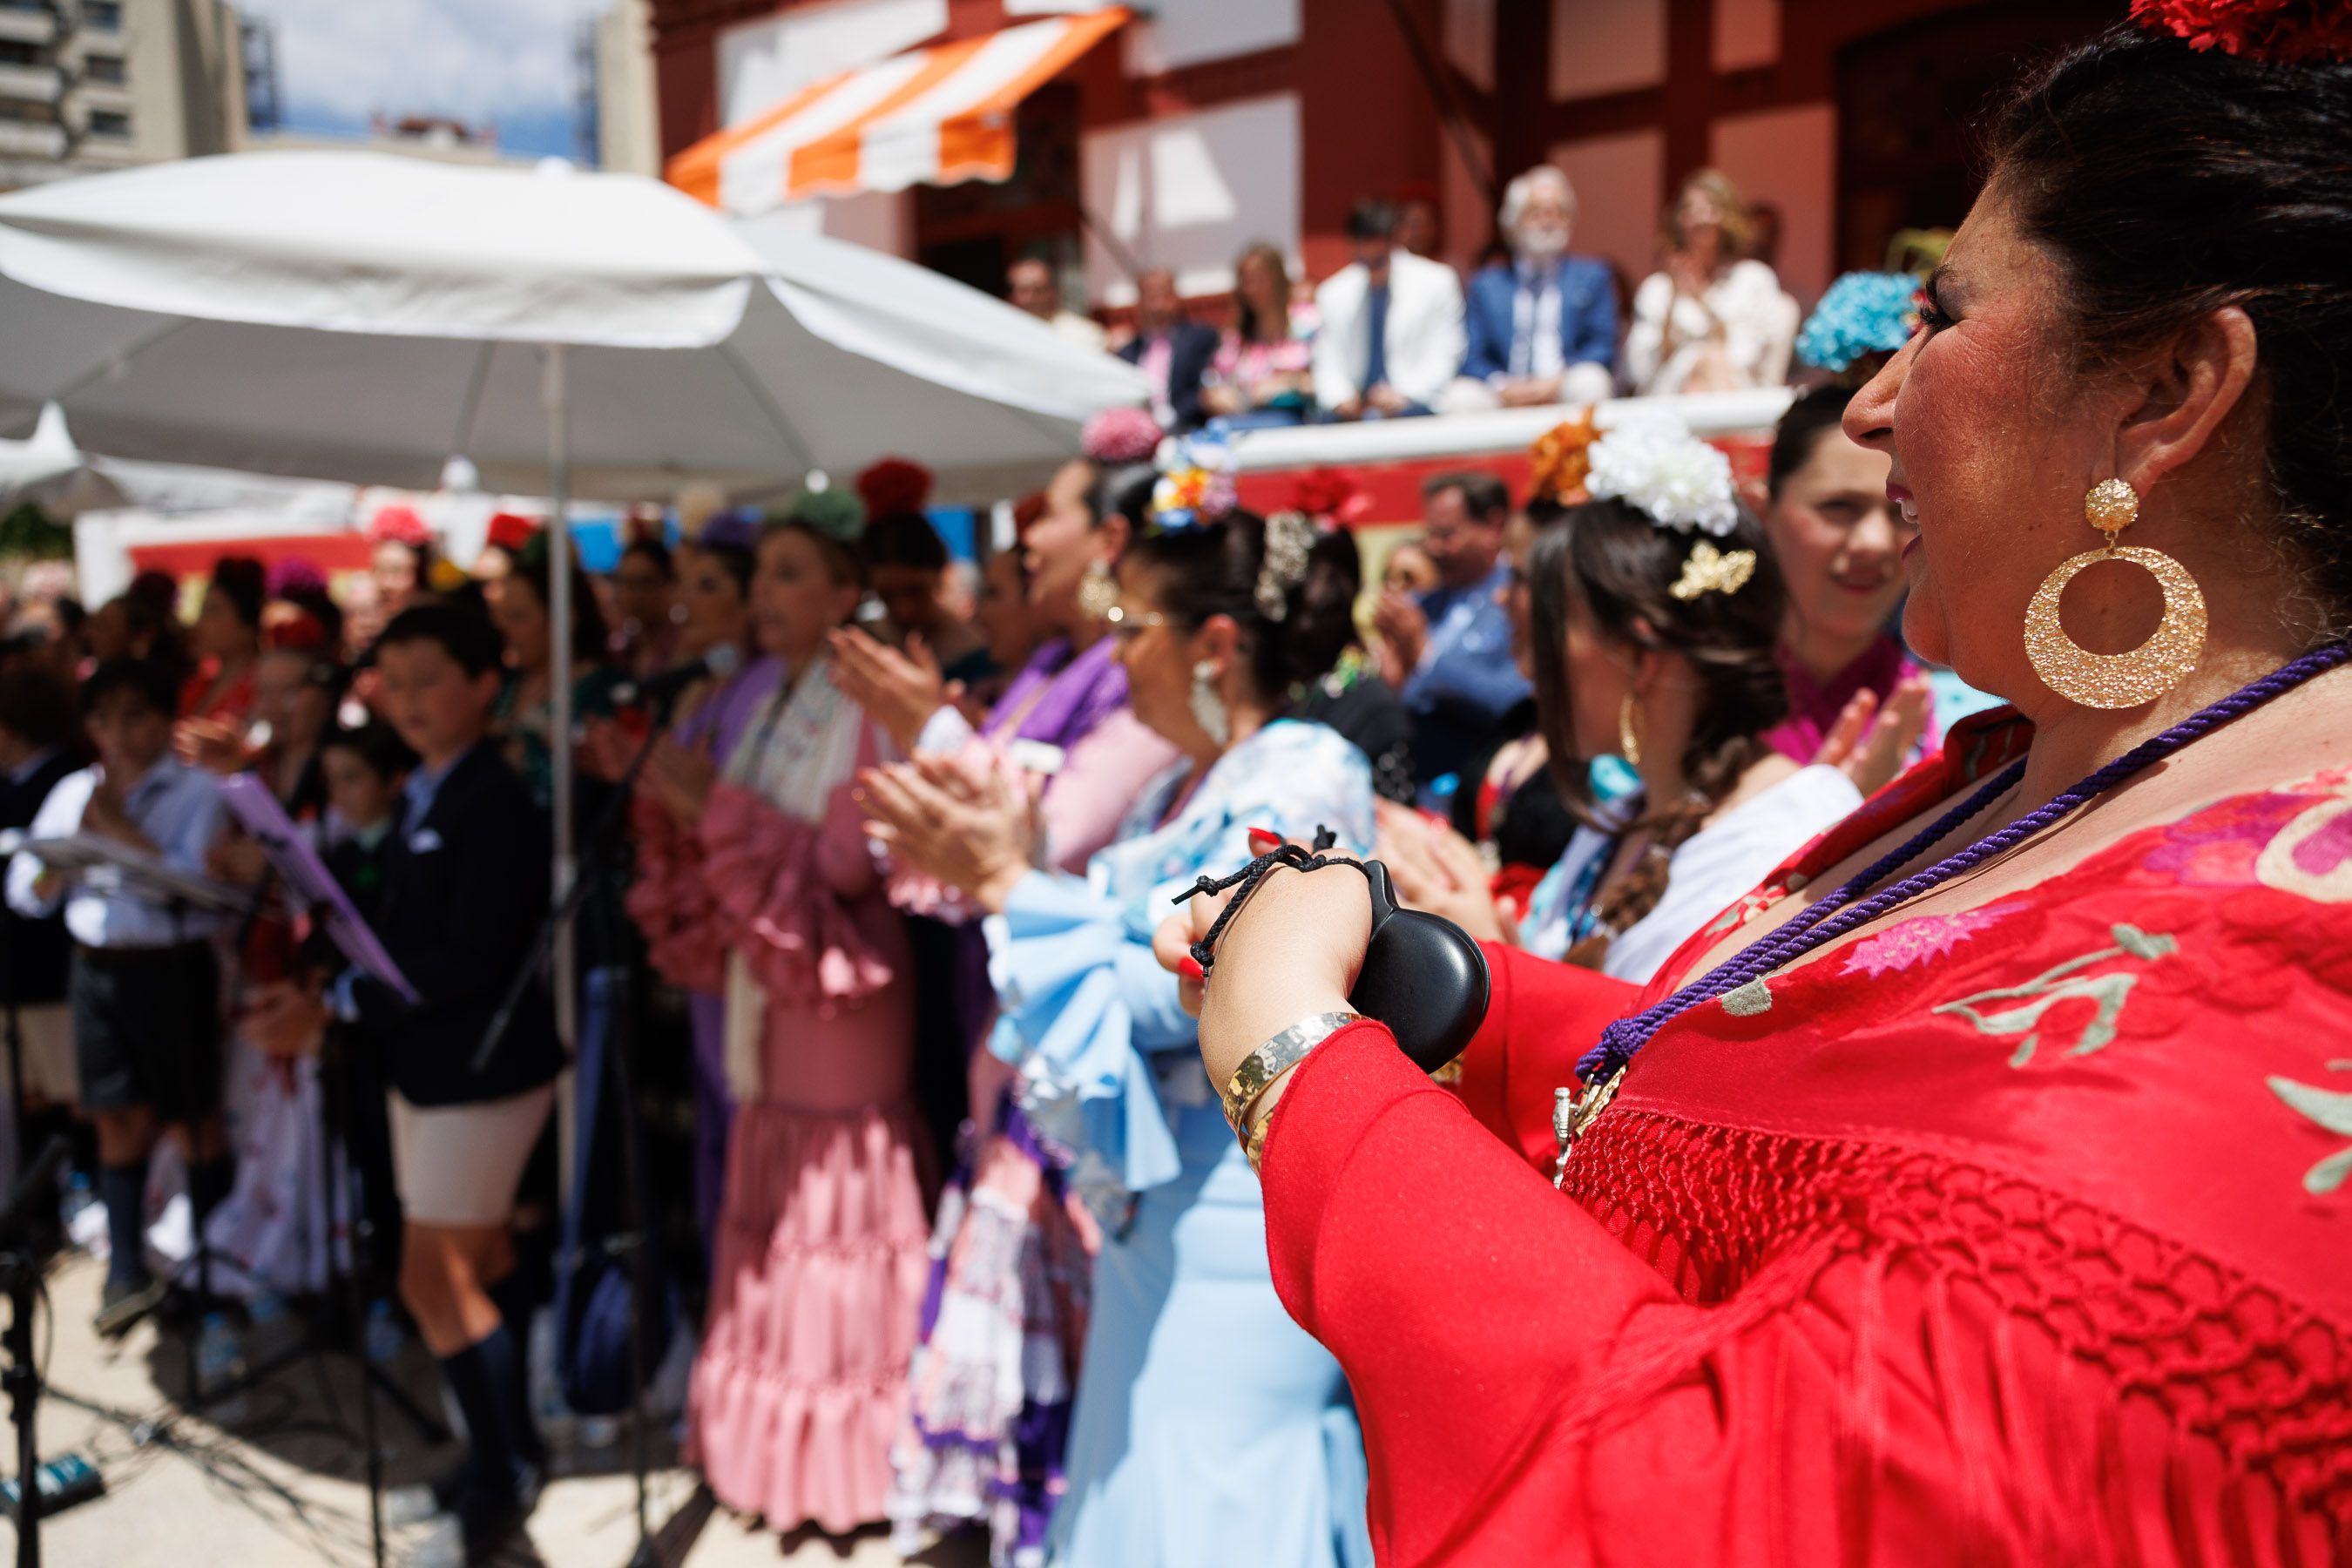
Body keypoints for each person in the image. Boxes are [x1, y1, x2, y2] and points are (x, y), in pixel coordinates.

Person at [1158, 18, 2352, 1561]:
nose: (1870, 405)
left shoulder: (2283, 975)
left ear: (2169, 388)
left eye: (1941, 319)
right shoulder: (2037, 771)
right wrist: (1453, 997)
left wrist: (1301, 1066)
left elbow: (1715, 1504)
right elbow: (1772, 1090)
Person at [861, 509, 1378, 1568]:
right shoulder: (1173, 785)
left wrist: (1009, 886)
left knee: (1214, 1496)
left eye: (1128, 622)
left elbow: (1210, 983)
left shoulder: (1303, 772)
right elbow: (1102, 926)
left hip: (1243, 1220)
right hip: (1160, 1216)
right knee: (1139, 1474)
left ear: (1214, 647)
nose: (1110, 651)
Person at [244, 603, 565, 1565]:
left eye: (433, 677)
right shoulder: (425, 789)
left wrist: (339, 1005)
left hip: (482, 1070)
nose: (413, 699)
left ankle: (497, 1486)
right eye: (397, 679)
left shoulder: (491, 798)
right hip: (432, 1069)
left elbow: (461, 957)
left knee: (435, 1277)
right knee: (477, 1272)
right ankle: (502, 1458)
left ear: (483, 683)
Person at [666, 504, 931, 1539]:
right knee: (781, 1208)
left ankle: (849, 1465)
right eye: (763, 575)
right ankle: (775, 1452)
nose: (765, 595)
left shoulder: (863, 700)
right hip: (772, 982)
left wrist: (713, 815)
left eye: (788, 575)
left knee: (837, 1210)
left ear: (841, 592)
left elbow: (843, 866)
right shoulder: (761, 696)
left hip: (846, 985)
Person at [6, 659, 233, 1336]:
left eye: (135, 716)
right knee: (114, 1116)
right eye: (102, 719)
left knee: (193, 1119)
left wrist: (124, 839)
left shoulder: (200, 792)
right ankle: (126, 1268)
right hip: (96, 969)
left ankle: (208, 1269)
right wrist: (62, 862)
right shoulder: (75, 790)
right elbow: (25, 886)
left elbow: (208, 892)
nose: (119, 735)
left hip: (170, 966)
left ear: (166, 720)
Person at [599, 513, 781, 1263]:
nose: (686, 601)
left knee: (739, 1110)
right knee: (709, 1116)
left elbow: (737, 807)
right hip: (694, 919)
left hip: (739, 920)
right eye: (688, 584)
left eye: (709, 586)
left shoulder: (767, 689)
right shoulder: (701, 687)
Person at [1757, 385, 1938, 781]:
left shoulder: (1961, 719)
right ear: (1762, 511)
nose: (1872, 544)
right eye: (1838, 507)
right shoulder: (1678, 704)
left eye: (1902, 510)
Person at [1375, 471, 1531, 803]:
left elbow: (1513, 699)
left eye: (1447, 534)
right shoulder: (1423, 604)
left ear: (1493, 525)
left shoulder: (1516, 599)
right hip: (1419, 792)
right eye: (1430, 534)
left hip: (1484, 792)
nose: (1434, 547)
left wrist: (1423, 653)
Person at [0, 662, 84, 1139]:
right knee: (22, 1101)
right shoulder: (12, 785)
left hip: (51, 973)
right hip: (17, 977)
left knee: (69, 1100)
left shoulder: (68, 779)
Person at [1456, 166, 1618, 409]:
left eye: (1558, 212)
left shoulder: (1592, 276)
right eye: (1537, 212)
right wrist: (1504, 386)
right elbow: (1473, 356)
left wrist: (1557, 381)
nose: (1548, 221)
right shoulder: (1486, 285)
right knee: (1460, 397)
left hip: (1564, 385)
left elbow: (1602, 346)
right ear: (1513, 220)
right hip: (1505, 391)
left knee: (1591, 381)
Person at [1625, 169, 1796, 395]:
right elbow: (1641, 371)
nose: (1700, 218)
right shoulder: (1658, 289)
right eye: (1690, 209)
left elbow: (1745, 356)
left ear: (1728, 217)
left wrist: (1702, 300)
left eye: (1710, 208)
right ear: (1679, 219)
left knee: (1712, 362)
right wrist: (1674, 303)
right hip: (1672, 393)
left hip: (1737, 390)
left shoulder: (1753, 279)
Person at [1312, 199, 1464, 422]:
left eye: (1379, 260)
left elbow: (1446, 352)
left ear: (1394, 243)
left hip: (1417, 404)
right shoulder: (1333, 293)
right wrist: (1341, 398)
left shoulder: (1437, 282)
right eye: (1364, 260)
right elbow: (1327, 358)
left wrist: (1404, 394)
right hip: (1352, 413)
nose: (1372, 268)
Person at [1118, 267, 1220, 433]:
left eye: (1164, 296)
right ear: (1139, 302)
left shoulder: (1201, 339)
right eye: (1150, 297)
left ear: (1176, 297)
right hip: (1139, 435)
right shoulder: (1127, 352)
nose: (1157, 306)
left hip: (1188, 431)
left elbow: (1204, 389)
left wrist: (1170, 420)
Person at [179, 555, 266, 727]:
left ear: (248, 626)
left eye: (213, 612)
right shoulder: (197, 685)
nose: (199, 623)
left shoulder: (265, 687)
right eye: (202, 612)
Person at [610, 534, 679, 682]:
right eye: (624, 583)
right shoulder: (621, 650)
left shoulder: (681, 651)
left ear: (669, 585)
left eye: (643, 583)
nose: (631, 595)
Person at [1010, 256, 1107, 353]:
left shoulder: (1084, 334)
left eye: (1038, 290)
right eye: (1023, 290)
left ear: (1053, 292)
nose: (1029, 298)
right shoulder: (1006, 334)